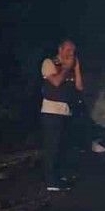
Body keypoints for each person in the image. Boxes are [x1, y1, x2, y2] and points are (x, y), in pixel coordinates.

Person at [40, 39, 83, 191]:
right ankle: (50, 181)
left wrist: (76, 68)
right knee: (52, 146)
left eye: (73, 51)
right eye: (68, 50)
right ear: (60, 49)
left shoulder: (70, 66)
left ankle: (59, 176)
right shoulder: (49, 63)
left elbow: (79, 87)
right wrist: (66, 68)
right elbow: (56, 82)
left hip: (66, 110)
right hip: (51, 111)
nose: (71, 54)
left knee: (63, 146)